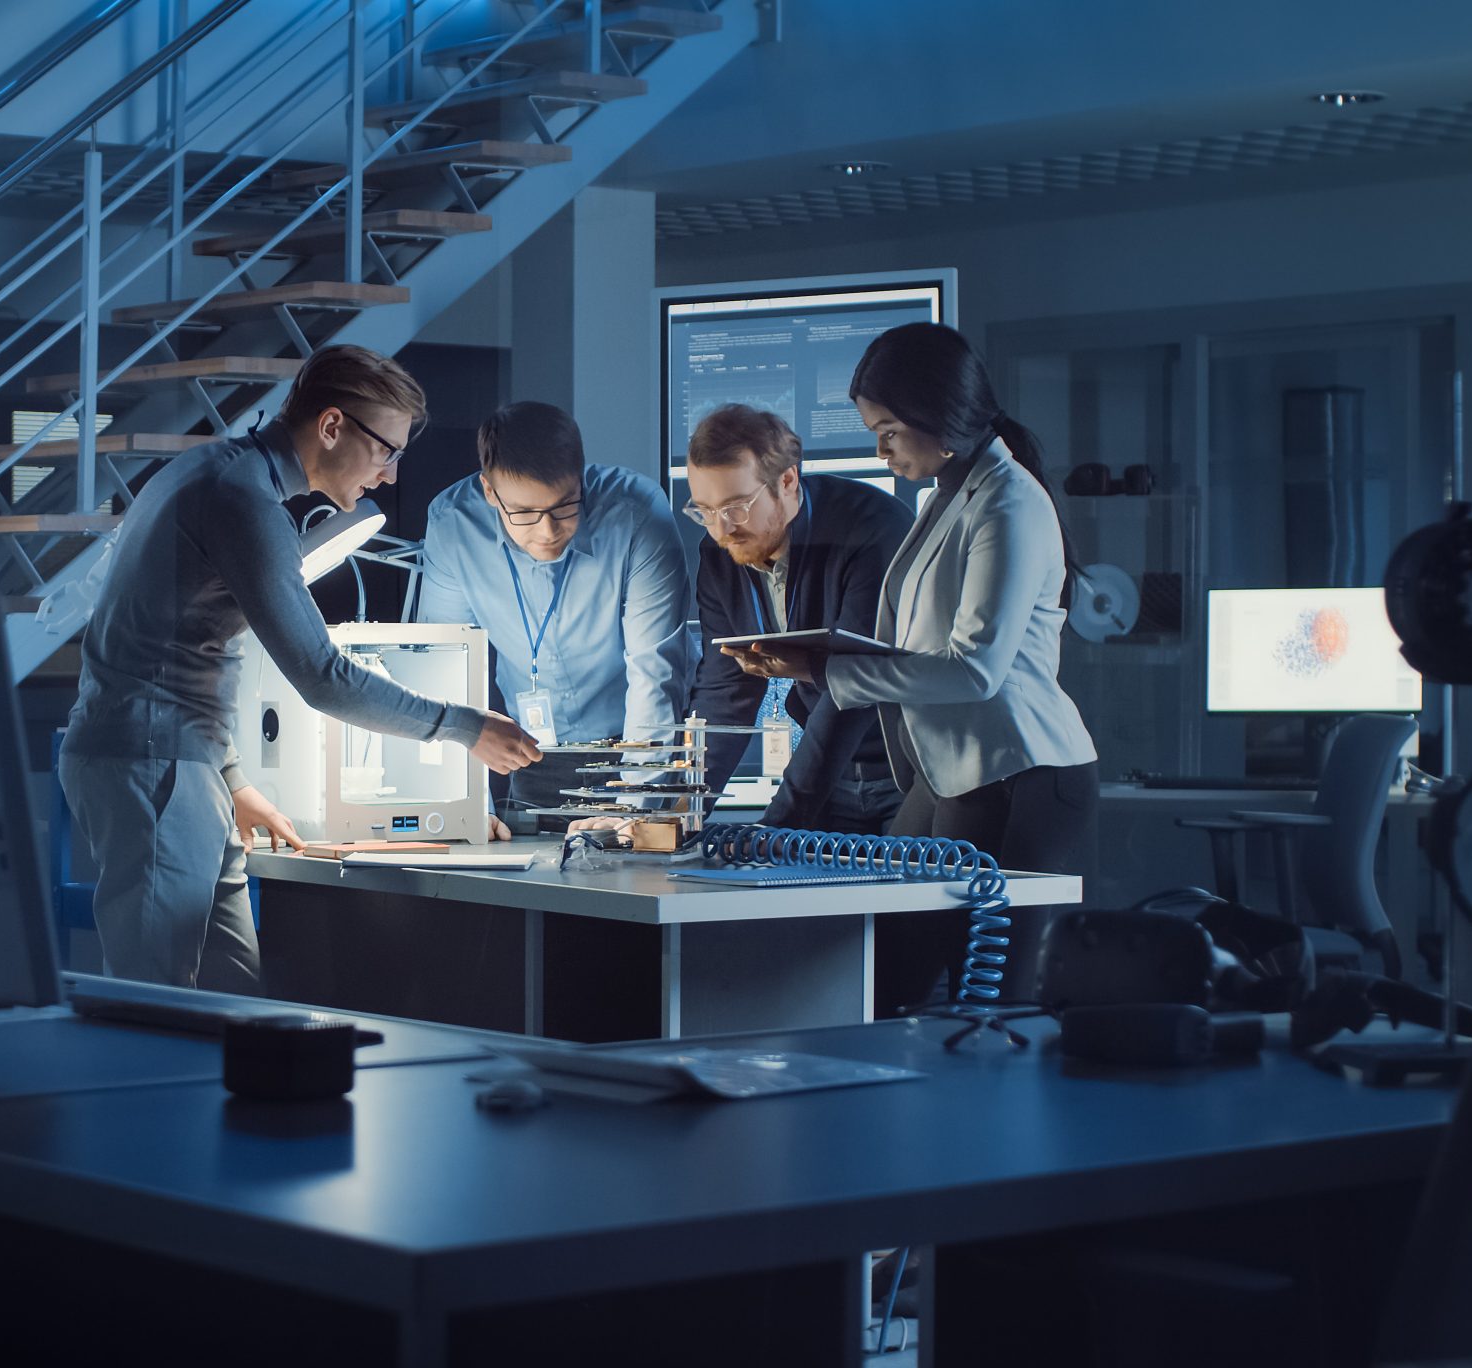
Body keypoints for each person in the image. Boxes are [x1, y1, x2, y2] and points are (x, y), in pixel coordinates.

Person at [59, 345, 542, 990]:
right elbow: (322, 676)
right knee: (153, 1004)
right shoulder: (244, 502)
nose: (391, 476)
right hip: (153, 766)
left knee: (237, 996)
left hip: (176, 762)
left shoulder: (214, 469)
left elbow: (178, 644)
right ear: (332, 426)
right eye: (386, 451)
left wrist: (231, 779)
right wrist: (465, 727)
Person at [724, 323, 1098, 1015]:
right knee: (882, 979)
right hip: (951, 769)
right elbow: (921, 648)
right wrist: (813, 662)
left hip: (1022, 774)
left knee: (989, 1005)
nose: (880, 449)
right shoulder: (950, 495)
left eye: (890, 431)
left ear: (939, 416)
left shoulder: (1008, 502)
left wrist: (833, 674)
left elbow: (976, 671)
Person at [415, 400, 694, 833]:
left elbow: (655, 669)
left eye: (564, 506)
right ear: (490, 491)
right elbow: (444, 666)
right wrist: (468, 802)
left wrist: (634, 804)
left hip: (638, 746)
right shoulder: (453, 524)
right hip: (525, 753)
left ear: (580, 479)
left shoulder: (636, 514)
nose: (548, 532)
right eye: (524, 513)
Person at [685, 404, 912, 833]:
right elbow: (724, 688)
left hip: (906, 771)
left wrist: (776, 827)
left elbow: (852, 692)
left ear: (787, 481)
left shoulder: (873, 529)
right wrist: (681, 812)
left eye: (736, 507)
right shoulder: (719, 551)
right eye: (704, 510)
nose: (720, 530)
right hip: (829, 775)